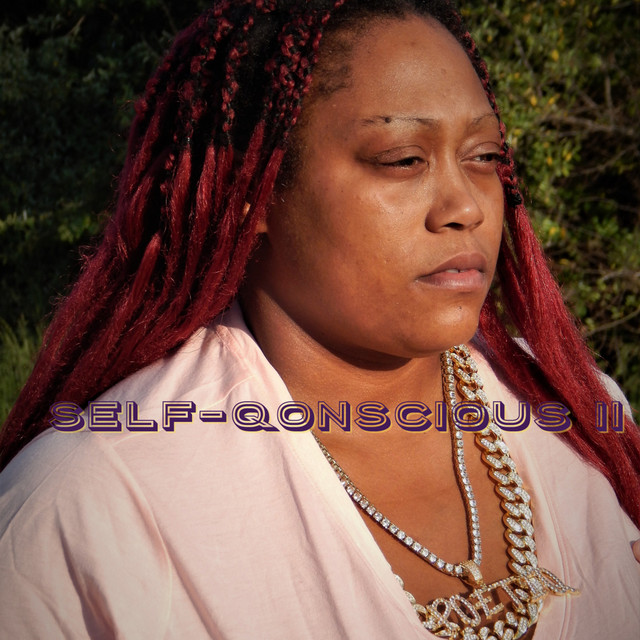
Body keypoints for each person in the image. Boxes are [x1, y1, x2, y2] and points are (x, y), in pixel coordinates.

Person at [0, 0, 639, 638]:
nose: (466, 207)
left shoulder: (583, 421)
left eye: (485, 156)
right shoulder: (90, 513)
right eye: (403, 159)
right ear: (253, 193)